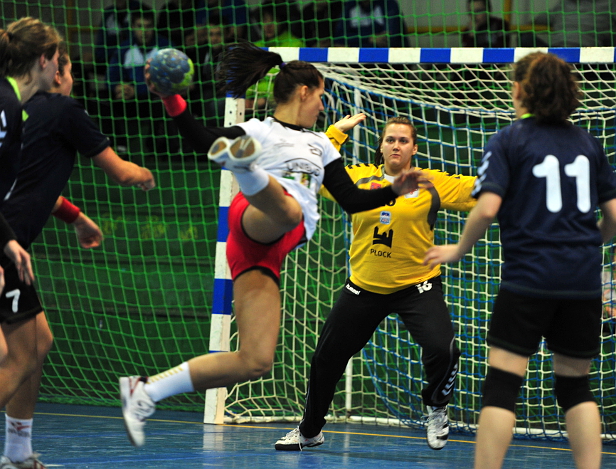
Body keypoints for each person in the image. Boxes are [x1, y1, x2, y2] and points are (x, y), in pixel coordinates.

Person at [118, 41, 429, 448]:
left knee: (255, 361)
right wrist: (171, 99)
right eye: (320, 96)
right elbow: (200, 139)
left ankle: (145, 391)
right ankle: (245, 169)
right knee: (290, 211)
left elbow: (353, 201)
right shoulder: (259, 130)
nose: (323, 105)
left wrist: (393, 190)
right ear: (304, 92)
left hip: (265, 250)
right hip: (256, 218)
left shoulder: (322, 145)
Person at [424, 51, 616, 469]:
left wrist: (458, 249)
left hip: (528, 278)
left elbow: (488, 208)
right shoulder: (588, 143)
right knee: (576, 388)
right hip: (582, 281)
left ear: (522, 90)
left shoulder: (510, 140)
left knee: (503, 385)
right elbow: (614, 216)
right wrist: (588, 244)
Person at [274, 116, 476, 451]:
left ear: (414, 148)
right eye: (390, 139)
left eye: (403, 141)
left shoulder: (431, 183)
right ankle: (310, 431)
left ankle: (437, 408)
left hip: (417, 286)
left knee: (444, 349)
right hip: (363, 288)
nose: (396, 145)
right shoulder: (357, 177)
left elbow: (481, 189)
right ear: (381, 146)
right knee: (326, 359)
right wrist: (334, 134)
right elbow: (309, 171)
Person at [0, 43, 155, 469]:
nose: (70, 80)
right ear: (55, 71)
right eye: (68, 72)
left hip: (12, 247)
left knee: (38, 343)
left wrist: (77, 217)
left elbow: (30, 185)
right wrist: (145, 175)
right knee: (18, 355)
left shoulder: (18, 112)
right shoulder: (63, 110)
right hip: (5, 249)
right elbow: (120, 171)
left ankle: (18, 451)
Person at [0, 17, 62, 319]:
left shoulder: (11, 104)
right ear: (43, 60)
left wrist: (7, 241)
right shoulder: (5, 106)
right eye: (57, 58)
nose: (59, 67)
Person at [104, 8, 176, 154]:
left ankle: (154, 148)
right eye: (139, 26)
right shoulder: (124, 49)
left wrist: (137, 90)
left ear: (154, 27)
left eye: (148, 26)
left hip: (154, 97)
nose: (144, 31)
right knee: (105, 101)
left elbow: (171, 80)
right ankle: (119, 146)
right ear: (132, 27)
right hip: (130, 98)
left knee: (161, 102)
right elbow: (110, 77)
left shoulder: (165, 47)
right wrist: (118, 87)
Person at [521, 0, 616, 47]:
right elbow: (540, 19)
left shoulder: (609, 3)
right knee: (525, 38)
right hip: (557, 53)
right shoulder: (564, 4)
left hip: (590, 54)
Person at [334, 0, 407, 48]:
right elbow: (339, 38)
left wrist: (351, 45)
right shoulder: (350, 6)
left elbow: (387, 40)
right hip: (357, 61)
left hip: (389, 60)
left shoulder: (388, 4)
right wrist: (369, 38)